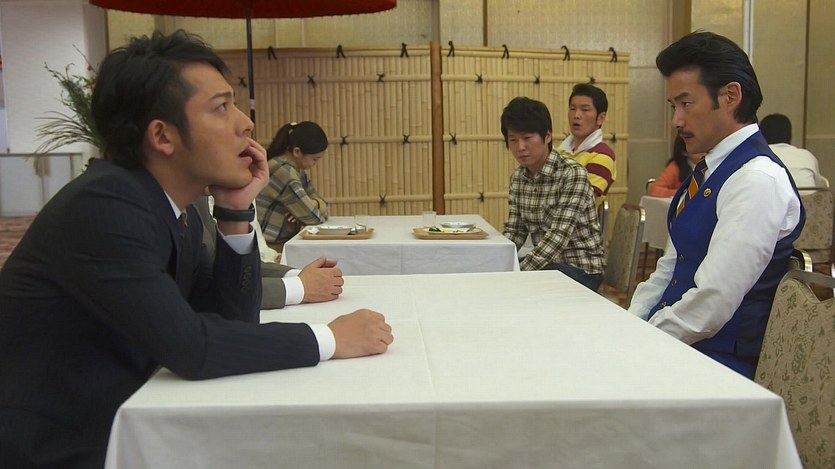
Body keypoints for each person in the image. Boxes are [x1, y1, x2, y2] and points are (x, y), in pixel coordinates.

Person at [0, 30, 393, 468]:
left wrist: (235, 211)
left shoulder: (172, 205)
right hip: (55, 444)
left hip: (126, 418)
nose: (246, 124)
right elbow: (192, 348)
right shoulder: (105, 205)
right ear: (162, 136)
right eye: (221, 107)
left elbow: (230, 319)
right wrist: (330, 338)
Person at [628, 31, 804, 379]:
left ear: (730, 96)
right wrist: (631, 323)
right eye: (673, 107)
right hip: (678, 344)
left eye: (686, 104)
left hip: (719, 364)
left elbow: (713, 302)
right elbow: (670, 266)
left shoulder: (756, 179)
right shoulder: (709, 170)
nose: (677, 120)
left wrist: (644, 341)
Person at [501, 96, 606, 291]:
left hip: (582, 269)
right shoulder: (518, 178)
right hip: (547, 265)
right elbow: (515, 232)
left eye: (527, 138)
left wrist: (516, 273)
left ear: (547, 136)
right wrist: (497, 263)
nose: (520, 147)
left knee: (516, 286)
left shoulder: (572, 174)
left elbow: (557, 239)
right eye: (513, 140)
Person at [195, 195, 343, 310]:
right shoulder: (282, 170)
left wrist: (299, 275)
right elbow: (207, 292)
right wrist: (300, 286)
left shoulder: (199, 199)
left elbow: (222, 263)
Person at [256, 121, 330, 251]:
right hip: (268, 248)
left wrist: (315, 203)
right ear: (297, 151)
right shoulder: (284, 171)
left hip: (281, 243)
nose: (315, 163)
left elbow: (322, 206)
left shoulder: (297, 170)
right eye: (315, 159)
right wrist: (312, 207)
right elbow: (313, 217)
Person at [556, 83, 617, 203]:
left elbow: (581, 201)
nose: (576, 115)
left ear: (600, 118)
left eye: (585, 109)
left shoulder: (603, 156)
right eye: (572, 109)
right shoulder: (558, 152)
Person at [760, 113, 823, 190]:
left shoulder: (759, 157)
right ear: (791, 136)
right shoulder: (807, 155)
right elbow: (818, 185)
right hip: (809, 198)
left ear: (761, 137)